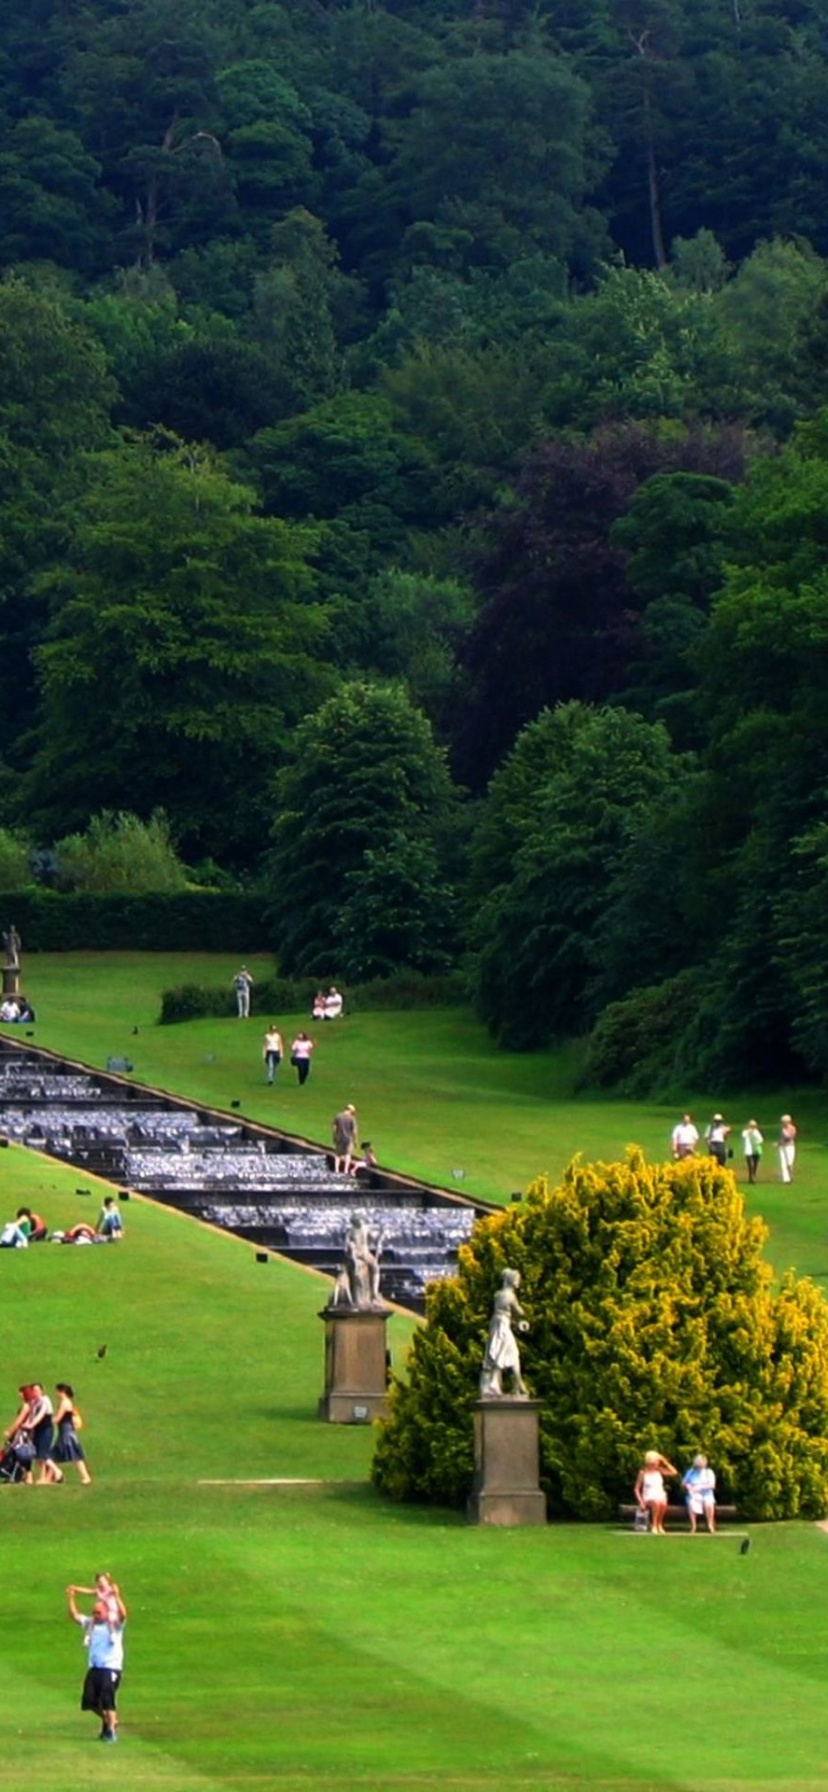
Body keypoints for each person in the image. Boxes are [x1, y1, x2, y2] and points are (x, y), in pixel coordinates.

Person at [66, 1582, 126, 1743]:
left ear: (106, 1612)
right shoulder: (91, 1624)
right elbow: (74, 1616)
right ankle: (109, 1721)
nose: (95, 1615)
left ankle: (111, 1731)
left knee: (107, 1700)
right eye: (94, 1612)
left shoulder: (114, 1626)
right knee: (90, 1702)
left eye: (98, 1612)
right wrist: (71, 1598)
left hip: (110, 1668)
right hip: (95, 1668)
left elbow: (123, 1614)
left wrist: (117, 1596)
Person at [479, 1268, 530, 1398]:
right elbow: (519, 1311)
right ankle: (505, 1384)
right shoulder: (510, 1296)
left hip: (499, 1324)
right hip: (502, 1326)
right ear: (511, 1280)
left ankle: (516, 1384)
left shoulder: (498, 1295)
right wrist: (523, 1316)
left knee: (504, 1352)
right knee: (506, 1352)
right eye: (516, 1280)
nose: (518, 1283)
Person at [44, 1383, 91, 1485]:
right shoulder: (65, 1402)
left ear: (62, 1392)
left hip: (67, 1433)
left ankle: (86, 1477)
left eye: (57, 1391)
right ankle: (48, 1478)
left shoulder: (65, 1402)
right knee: (54, 1456)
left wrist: (45, 1422)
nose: (56, 1394)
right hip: (64, 1432)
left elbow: (58, 1418)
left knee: (75, 1457)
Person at [634, 1449, 678, 1535]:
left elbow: (674, 1472)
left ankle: (659, 1524)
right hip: (648, 1496)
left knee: (663, 1502)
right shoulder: (643, 1473)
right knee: (656, 1502)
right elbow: (636, 1488)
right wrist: (641, 1502)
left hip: (659, 1494)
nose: (656, 1464)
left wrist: (664, 1461)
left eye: (657, 1462)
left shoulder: (659, 1470)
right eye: (654, 1463)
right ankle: (654, 1525)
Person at [344, 1212, 383, 1307]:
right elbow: (345, 1247)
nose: (358, 1222)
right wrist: (350, 1248)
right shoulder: (350, 1231)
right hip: (357, 1254)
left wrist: (380, 1239)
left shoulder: (365, 1228)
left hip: (365, 1253)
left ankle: (374, 1292)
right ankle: (371, 1294)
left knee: (376, 1268)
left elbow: (373, 1239)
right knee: (373, 1268)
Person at [681, 1453, 716, 1534]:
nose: (699, 1466)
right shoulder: (690, 1472)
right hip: (693, 1494)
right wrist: (688, 1486)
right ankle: (693, 1525)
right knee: (691, 1503)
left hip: (706, 1493)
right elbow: (683, 1483)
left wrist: (701, 1487)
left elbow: (712, 1485)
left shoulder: (709, 1472)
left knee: (709, 1504)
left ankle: (710, 1524)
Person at [332, 1103, 358, 1174]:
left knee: (338, 1154)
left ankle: (336, 1170)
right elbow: (354, 1131)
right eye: (352, 1112)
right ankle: (345, 1170)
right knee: (348, 1154)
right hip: (348, 1139)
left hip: (339, 1138)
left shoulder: (338, 1116)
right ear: (349, 1110)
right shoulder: (352, 1118)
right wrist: (355, 1140)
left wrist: (334, 1136)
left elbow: (334, 1128)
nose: (353, 1113)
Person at [742, 1119, 763, 1185]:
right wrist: (749, 1132)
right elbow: (744, 1136)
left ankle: (753, 1176)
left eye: (754, 1126)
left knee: (755, 1164)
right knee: (750, 1165)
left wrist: (754, 1135)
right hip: (748, 1151)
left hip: (756, 1150)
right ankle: (751, 1177)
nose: (753, 1127)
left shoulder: (756, 1132)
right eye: (751, 1126)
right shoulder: (745, 1132)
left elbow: (761, 1140)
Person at [778, 1113, 797, 1184]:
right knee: (783, 1163)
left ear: (788, 1121)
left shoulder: (792, 1128)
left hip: (790, 1146)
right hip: (782, 1147)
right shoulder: (782, 1128)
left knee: (789, 1163)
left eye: (784, 1121)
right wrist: (779, 1143)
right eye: (782, 1122)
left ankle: (790, 1175)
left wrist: (779, 1143)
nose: (783, 1123)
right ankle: (786, 1179)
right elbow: (781, 1138)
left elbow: (790, 1137)